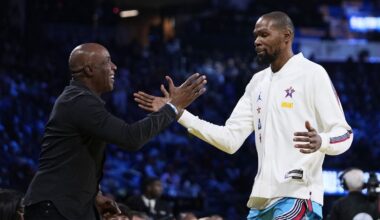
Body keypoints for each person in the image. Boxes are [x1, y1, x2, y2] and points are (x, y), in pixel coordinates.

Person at [133, 11, 353, 219]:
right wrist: (179, 113)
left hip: (298, 196)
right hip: (260, 200)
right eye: (256, 35)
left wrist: (321, 140)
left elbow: (345, 133)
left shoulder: (312, 73)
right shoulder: (257, 82)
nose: (257, 41)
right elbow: (230, 140)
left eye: (264, 34)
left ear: (287, 37)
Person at [23, 43, 207, 220]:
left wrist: (94, 195)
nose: (114, 67)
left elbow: (77, 158)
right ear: (89, 70)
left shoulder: (79, 100)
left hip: (66, 205)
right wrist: (173, 106)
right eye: (107, 62)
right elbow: (130, 138)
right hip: (54, 206)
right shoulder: (79, 101)